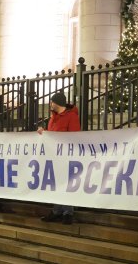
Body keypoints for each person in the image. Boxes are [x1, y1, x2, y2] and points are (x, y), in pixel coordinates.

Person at [38, 92, 81, 225]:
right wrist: (43, 132)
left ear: (57, 103)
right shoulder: (53, 118)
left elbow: (75, 136)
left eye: (52, 102)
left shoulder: (71, 116)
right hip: (54, 156)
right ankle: (57, 210)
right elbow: (52, 135)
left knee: (65, 184)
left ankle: (67, 212)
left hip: (66, 156)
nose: (50, 104)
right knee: (56, 184)